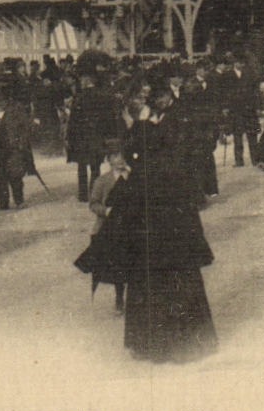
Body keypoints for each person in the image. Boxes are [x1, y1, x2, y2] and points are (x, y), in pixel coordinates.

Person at [111, 87, 218, 363]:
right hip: (177, 233)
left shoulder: (144, 167)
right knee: (180, 279)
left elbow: (130, 153)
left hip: (152, 235)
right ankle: (186, 342)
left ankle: (153, 343)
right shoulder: (172, 153)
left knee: (151, 279)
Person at [73, 145, 131, 313]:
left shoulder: (134, 178)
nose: (120, 159)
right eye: (115, 156)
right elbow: (93, 204)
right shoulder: (102, 181)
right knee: (117, 265)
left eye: (122, 155)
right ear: (109, 160)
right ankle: (119, 298)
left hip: (130, 226)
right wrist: (106, 211)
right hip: (109, 227)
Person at [66, 70, 120, 202]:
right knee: (95, 166)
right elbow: (109, 118)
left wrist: (69, 136)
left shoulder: (79, 97)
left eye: (82, 80)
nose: (80, 82)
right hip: (97, 136)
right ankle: (94, 192)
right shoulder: (103, 97)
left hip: (81, 137)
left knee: (82, 166)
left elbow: (73, 119)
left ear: (86, 81)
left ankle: (83, 194)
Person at [0, 90, 28, 210]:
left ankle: (19, 200)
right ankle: (2, 203)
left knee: (15, 176)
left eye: (1, 101)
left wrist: (20, 143)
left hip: (13, 148)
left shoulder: (15, 111)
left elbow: (24, 128)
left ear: (6, 101)